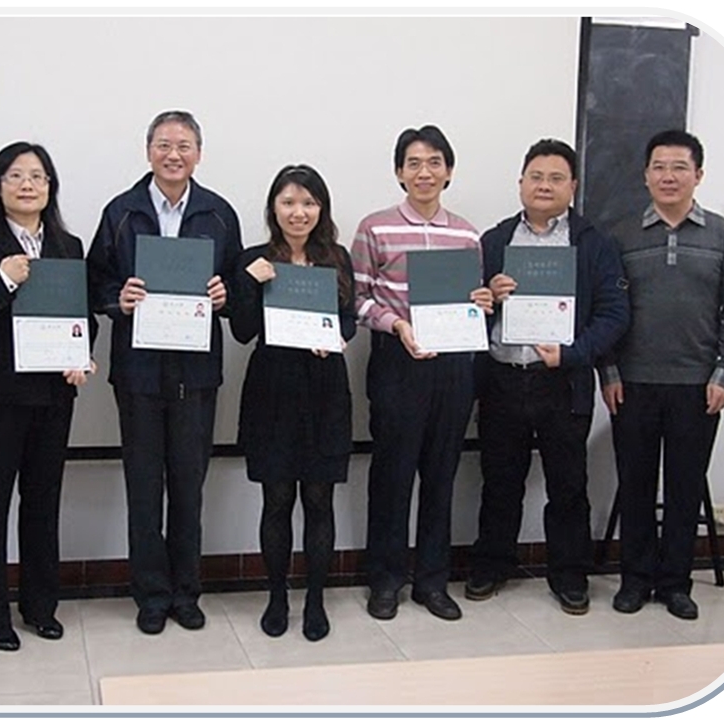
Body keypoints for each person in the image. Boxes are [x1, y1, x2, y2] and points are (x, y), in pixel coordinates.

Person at [87, 110, 242, 634]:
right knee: (144, 488)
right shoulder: (121, 212)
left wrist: (225, 296)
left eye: (184, 145)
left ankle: (186, 592)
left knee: (189, 488)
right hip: (139, 374)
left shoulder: (219, 214)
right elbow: (95, 283)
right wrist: (118, 299)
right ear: (147, 149)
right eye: (163, 144)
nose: (173, 154)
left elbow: (238, 291)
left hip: (197, 375)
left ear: (199, 152)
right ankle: (151, 595)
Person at [0, 142, 96, 650]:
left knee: (42, 502)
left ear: (50, 188)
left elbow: (82, 317)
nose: (28, 185)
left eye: (38, 176)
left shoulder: (69, 246)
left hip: (53, 396)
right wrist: (4, 279)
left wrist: (83, 354)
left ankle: (40, 606)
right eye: (15, 175)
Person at [466, 139, 629, 615]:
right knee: (499, 481)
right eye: (536, 176)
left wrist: (574, 354)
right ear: (520, 182)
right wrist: (488, 296)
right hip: (502, 377)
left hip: (563, 380)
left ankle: (569, 574)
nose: (544, 185)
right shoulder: (494, 241)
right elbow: (467, 310)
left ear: (573, 187)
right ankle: (492, 565)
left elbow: (615, 315)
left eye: (556, 177)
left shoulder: (593, 243)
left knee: (568, 484)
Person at [601, 130, 724, 620]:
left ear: (698, 175)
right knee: (637, 483)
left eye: (679, 167)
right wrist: (610, 371)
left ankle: (675, 583)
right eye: (659, 167)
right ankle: (635, 580)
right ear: (645, 175)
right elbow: (606, 310)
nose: (668, 176)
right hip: (633, 383)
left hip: (698, 386)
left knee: (685, 487)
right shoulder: (621, 236)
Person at [351, 125, 492, 622]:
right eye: (413, 163)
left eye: (434, 162)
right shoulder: (376, 228)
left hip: (454, 364)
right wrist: (398, 324)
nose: (424, 171)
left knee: (441, 474)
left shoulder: (467, 234)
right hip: (397, 361)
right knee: (392, 475)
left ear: (448, 172)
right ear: (398, 172)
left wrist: (482, 301)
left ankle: (432, 582)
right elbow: (358, 299)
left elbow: (474, 299)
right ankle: (385, 580)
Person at [231, 165, 355, 642]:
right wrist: (250, 283)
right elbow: (242, 330)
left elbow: (347, 322)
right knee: (277, 500)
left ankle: (317, 601)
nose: (298, 212)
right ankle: (278, 597)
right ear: (273, 209)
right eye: (288, 202)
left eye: (308, 203)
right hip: (273, 390)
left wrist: (335, 340)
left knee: (320, 501)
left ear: (320, 209)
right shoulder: (254, 258)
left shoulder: (336, 258)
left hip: (325, 389)